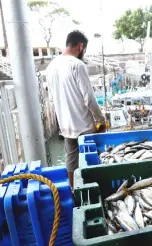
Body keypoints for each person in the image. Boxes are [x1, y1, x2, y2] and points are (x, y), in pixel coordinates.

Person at [46, 30, 105, 187]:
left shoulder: (51, 67)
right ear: (80, 47)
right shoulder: (77, 65)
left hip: (66, 127)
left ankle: (74, 193)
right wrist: (101, 120)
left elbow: (53, 98)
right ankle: (95, 190)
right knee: (93, 160)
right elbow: (89, 99)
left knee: (71, 162)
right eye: (84, 50)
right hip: (85, 127)